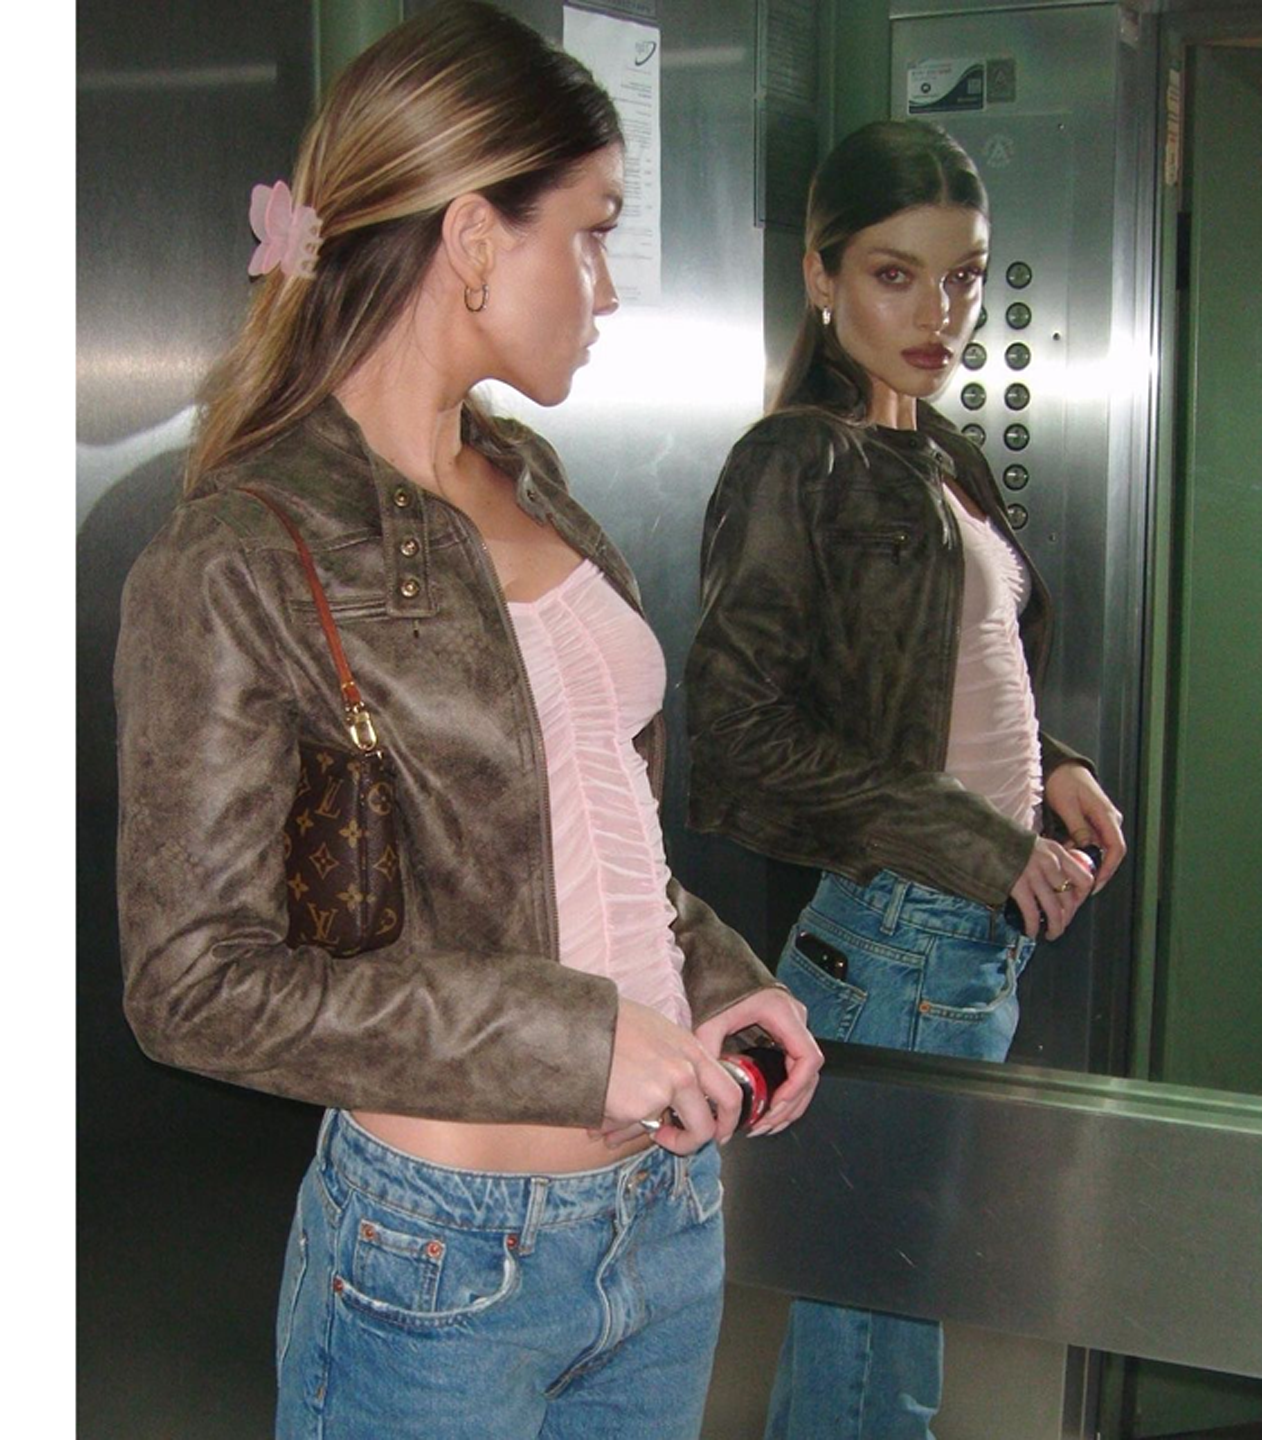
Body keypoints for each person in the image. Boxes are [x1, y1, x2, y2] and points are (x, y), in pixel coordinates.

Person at [113, 6, 821, 1437]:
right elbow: (191, 983)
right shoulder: (242, 551)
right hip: (441, 1260)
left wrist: (714, 978)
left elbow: (589, 831)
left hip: (667, 1215)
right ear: (476, 239)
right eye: (591, 233)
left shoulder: (530, 477)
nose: (605, 290)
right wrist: (577, 1039)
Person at [683, 119, 1127, 1440]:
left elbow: (931, 687)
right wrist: (978, 841)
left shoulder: (936, 454)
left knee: (883, 1314)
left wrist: (1051, 774)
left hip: (958, 933)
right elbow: (740, 739)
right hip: (900, 932)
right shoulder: (795, 458)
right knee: (881, 1334)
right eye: (896, 274)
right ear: (821, 275)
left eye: (964, 276)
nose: (941, 313)